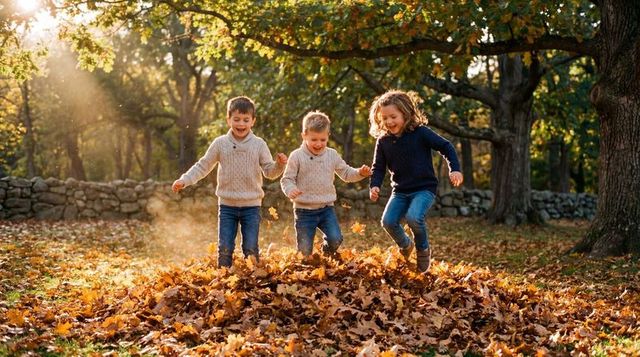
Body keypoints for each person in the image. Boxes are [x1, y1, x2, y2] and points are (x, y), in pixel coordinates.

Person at [172, 96, 287, 268]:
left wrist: (279, 165)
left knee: (250, 248)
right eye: (237, 119)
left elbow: (270, 172)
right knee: (225, 248)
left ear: (252, 121)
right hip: (227, 207)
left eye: (245, 120)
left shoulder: (258, 144)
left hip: (251, 206)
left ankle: (253, 280)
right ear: (228, 120)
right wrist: (184, 179)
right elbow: (203, 165)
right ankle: (223, 280)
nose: (241, 124)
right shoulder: (220, 143)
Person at [368, 90, 463, 273]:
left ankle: (423, 249)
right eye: (384, 118)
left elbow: (446, 146)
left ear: (406, 113)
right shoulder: (383, 141)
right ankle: (405, 245)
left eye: (393, 117)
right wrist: (375, 185)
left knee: (413, 217)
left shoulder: (420, 133)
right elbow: (378, 167)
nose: (389, 122)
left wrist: (455, 169)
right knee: (388, 221)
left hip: (424, 189)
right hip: (400, 191)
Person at [281, 111, 372, 258]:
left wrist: (360, 173)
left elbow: (346, 173)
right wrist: (290, 189)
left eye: (323, 140)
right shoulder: (296, 156)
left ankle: (326, 255)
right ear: (304, 136)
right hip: (304, 211)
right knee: (304, 252)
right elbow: (287, 179)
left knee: (335, 239)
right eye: (314, 139)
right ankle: (305, 271)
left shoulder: (332, 155)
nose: (318, 144)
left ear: (328, 135)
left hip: (326, 209)